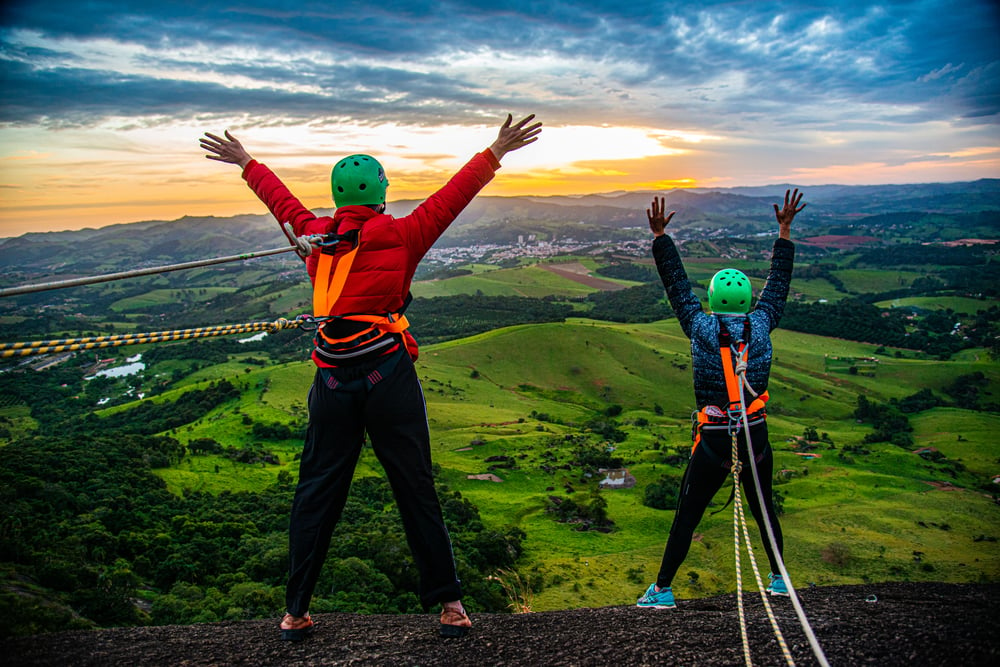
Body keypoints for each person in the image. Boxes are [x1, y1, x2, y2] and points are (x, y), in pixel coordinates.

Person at [200, 114, 542, 639]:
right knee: (414, 487)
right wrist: (495, 151)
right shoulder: (403, 235)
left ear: (339, 198)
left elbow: (281, 202)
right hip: (388, 375)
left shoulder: (316, 237)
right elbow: (452, 197)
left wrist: (247, 162)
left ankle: (295, 612)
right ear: (381, 195)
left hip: (332, 381)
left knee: (316, 490)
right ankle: (451, 607)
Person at [637, 189, 806, 610]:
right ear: (748, 301)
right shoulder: (763, 324)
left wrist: (661, 237)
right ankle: (780, 579)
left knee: (687, 514)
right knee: (764, 509)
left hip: (715, 437)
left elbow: (676, 286)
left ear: (713, 300)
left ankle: (661, 589)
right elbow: (779, 284)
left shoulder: (699, 327)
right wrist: (784, 231)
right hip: (756, 432)